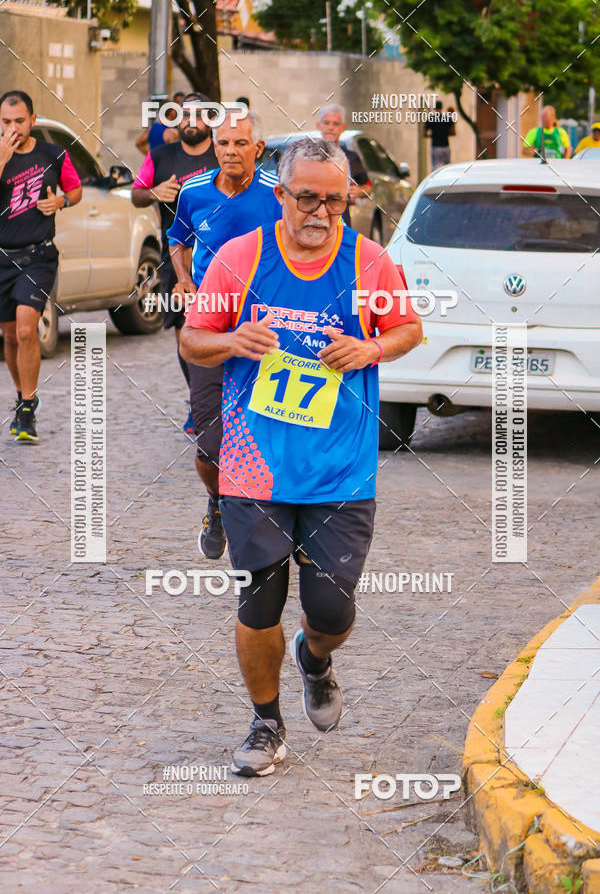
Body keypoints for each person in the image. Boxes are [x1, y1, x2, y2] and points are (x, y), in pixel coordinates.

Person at [179, 136, 422, 777]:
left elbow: (409, 329)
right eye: (306, 196)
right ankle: (265, 723)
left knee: (332, 610)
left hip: (340, 468)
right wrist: (232, 339)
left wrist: (371, 350)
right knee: (258, 602)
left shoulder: (369, 262)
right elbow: (192, 338)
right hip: (254, 463)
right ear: (280, 194)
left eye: (334, 201)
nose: (319, 211)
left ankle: (315, 659)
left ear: (348, 200)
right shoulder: (240, 258)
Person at [168, 110, 282, 558]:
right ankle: (217, 502)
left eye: (240, 143)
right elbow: (177, 238)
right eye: (223, 144)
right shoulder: (194, 192)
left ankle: (281, 519)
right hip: (210, 325)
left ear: (258, 147)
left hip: (269, 327)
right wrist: (183, 280)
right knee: (209, 444)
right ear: (214, 147)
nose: (230, 151)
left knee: (272, 429)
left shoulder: (277, 192)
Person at [132, 93, 219, 432]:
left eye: (198, 115)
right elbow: (136, 194)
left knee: (223, 330)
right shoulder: (161, 155)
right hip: (177, 258)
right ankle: (199, 401)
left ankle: (223, 400)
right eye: (183, 116)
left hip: (223, 259)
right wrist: (155, 192)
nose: (189, 121)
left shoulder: (221, 154)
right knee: (185, 333)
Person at [0, 89, 82, 443]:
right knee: (8, 335)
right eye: (5, 122)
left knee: (24, 329)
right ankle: (21, 400)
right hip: (2, 256)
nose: (13, 128)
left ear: (32, 120)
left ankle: (29, 407)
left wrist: (61, 200)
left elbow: (76, 190)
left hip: (38, 256)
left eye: (19, 121)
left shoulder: (52, 153)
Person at [316, 103, 370, 226]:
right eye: (326, 123)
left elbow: (368, 186)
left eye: (335, 124)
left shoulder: (351, 158)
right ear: (318, 126)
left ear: (343, 127)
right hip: (314, 217)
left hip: (341, 221)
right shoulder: (307, 156)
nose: (330, 127)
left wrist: (359, 191)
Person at [424, 100, 455, 170]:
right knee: (446, 168)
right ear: (442, 108)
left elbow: (424, 134)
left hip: (435, 146)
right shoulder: (447, 118)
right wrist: (451, 114)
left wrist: (432, 135)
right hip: (445, 146)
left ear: (434, 108)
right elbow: (453, 133)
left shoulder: (430, 119)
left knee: (435, 168)